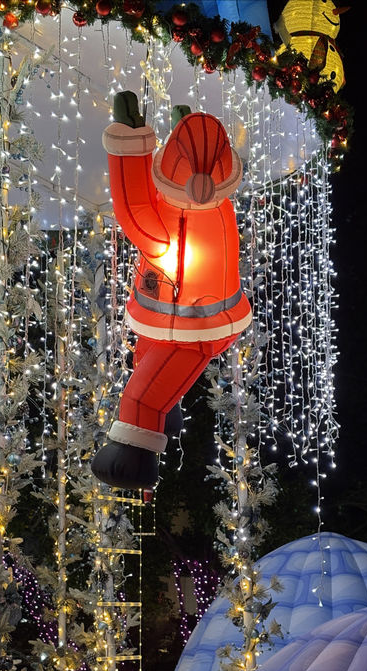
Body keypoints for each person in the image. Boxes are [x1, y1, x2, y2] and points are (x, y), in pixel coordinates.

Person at [91, 92, 252, 490]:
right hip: (213, 318)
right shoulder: (221, 209)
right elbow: (196, 166)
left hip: (184, 331)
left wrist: (130, 144)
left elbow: (132, 204)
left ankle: (131, 457)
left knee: (140, 397)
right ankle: (168, 410)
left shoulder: (165, 230)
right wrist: (184, 123)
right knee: (150, 367)